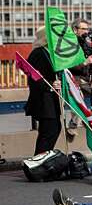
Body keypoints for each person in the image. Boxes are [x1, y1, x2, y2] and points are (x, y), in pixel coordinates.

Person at [25, 26, 62, 154]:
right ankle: (39, 164)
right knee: (48, 133)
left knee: (54, 130)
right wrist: (51, 84)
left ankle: (43, 162)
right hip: (44, 102)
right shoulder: (38, 53)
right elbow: (35, 79)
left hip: (51, 101)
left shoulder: (50, 52)